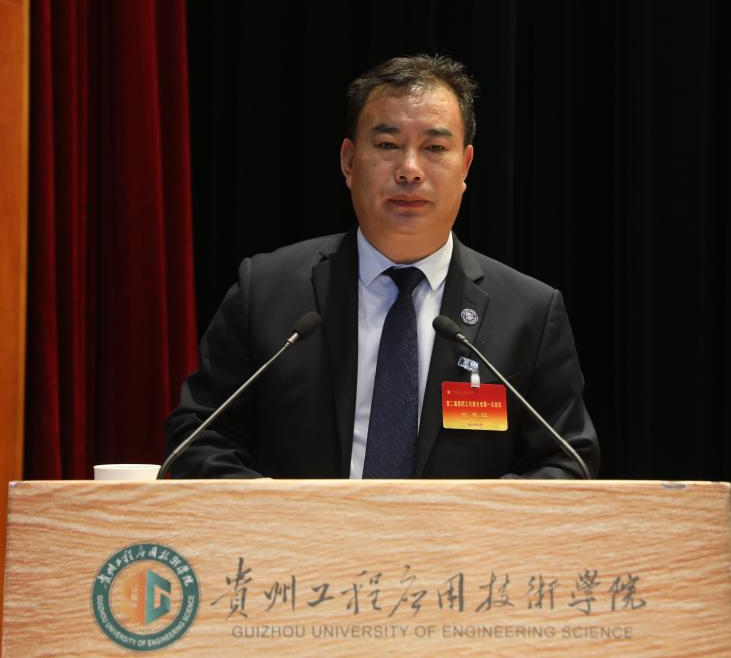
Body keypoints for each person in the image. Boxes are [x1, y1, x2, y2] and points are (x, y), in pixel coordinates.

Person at [164, 54, 599, 479]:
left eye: (434, 148)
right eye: (388, 145)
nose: (409, 170)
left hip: (463, 532)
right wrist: (282, 514)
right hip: (299, 530)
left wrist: (476, 518)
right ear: (349, 161)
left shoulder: (527, 313)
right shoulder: (268, 293)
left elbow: (567, 462)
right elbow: (198, 440)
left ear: (465, 165)